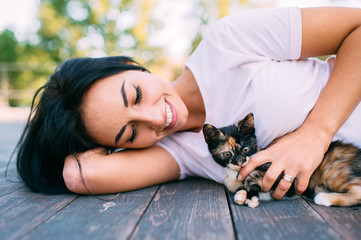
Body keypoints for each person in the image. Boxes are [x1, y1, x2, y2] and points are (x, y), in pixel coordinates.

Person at [15, 7, 361, 199]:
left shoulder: (228, 42)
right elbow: (79, 174)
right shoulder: (178, 153)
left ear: (130, 64)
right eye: (130, 133)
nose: (154, 118)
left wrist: (317, 132)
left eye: (135, 94)